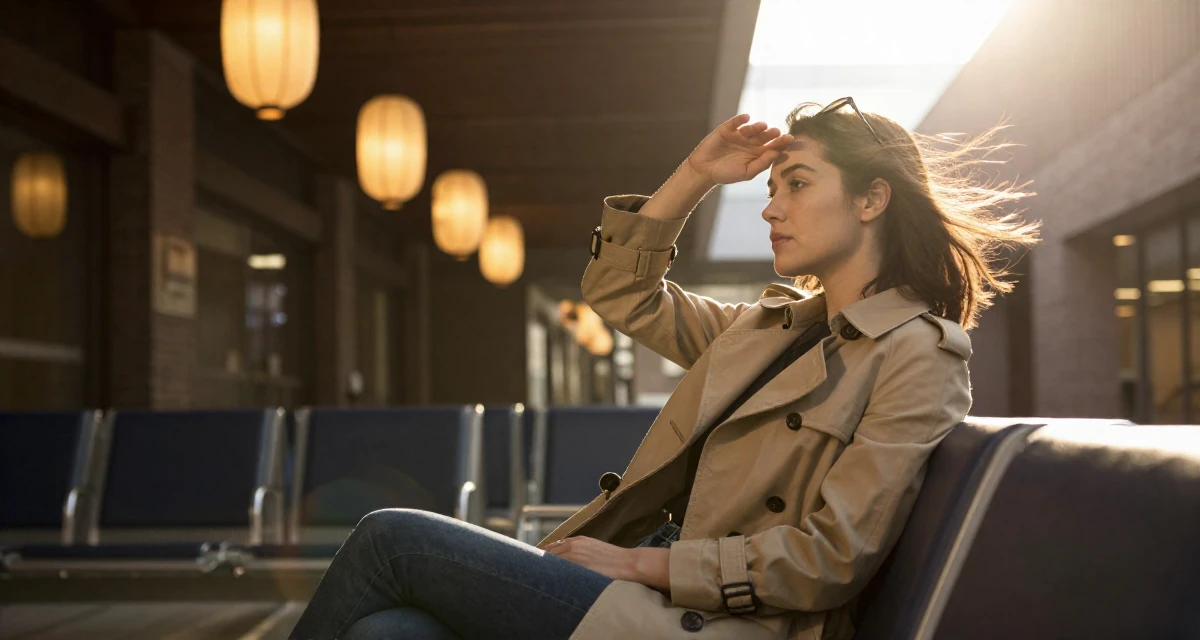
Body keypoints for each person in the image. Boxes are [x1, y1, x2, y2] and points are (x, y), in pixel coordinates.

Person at [289, 98, 1040, 640]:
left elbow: (828, 558)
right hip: (651, 593)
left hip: (721, 622)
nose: (771, 208)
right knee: (390, 631)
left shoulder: (918, 353)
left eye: (799, 185)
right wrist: (694, 174)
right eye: (770, 188)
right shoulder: (766, 330)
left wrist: (638, 566)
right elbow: (619, 289)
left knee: (393, 538)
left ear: (874, 199)